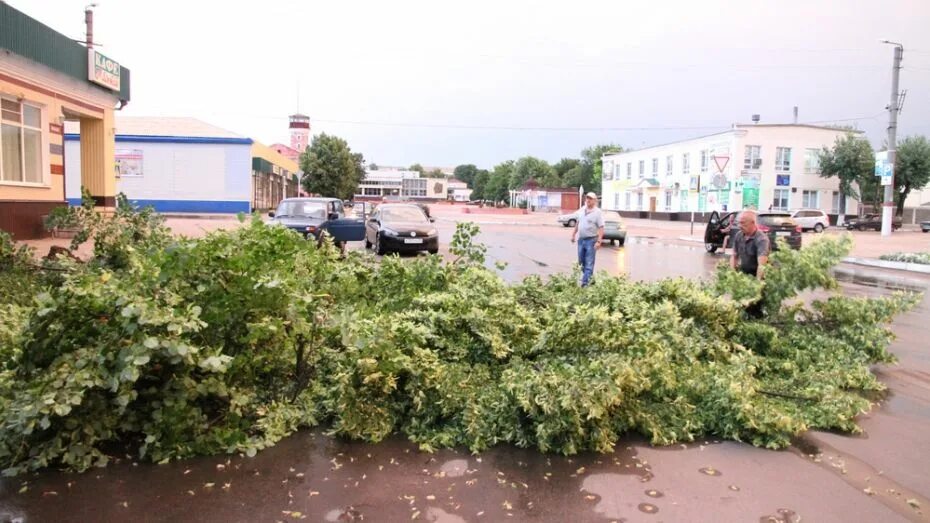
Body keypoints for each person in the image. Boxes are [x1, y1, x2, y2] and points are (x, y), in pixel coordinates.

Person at [570, 192, 605, 286]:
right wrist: (573, 234)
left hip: (591, 240)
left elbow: (601, 227)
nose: (588, 200)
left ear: (595, 201)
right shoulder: (582, 210)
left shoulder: (597, 212)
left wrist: (599, 241)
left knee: (589, 263)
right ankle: (591, 280)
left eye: (590, 198)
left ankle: (584, 285)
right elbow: (578, 223)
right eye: (587, 198)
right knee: (581, 263)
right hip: (581, 240)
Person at [730, 210, 769, 279]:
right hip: (744, 275)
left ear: (753, 223)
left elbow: (762, 265)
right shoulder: (739, 235)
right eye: (739, 223)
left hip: (757, 276)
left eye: (743, 223)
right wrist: (732, 275)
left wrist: (757, 285)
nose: (740, 226)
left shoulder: (761, 239)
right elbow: (734, 256)